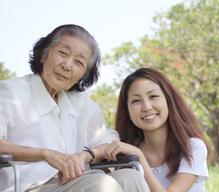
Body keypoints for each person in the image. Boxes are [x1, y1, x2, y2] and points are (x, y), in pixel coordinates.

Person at [0, 24, 149, 192]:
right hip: (28, 187)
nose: (67, 65)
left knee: (131, 177)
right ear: (43, 55)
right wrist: (44, 154)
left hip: (75, 183)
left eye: (79, 62)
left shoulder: (83, 105)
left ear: (83, 75)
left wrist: (85, 155)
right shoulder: (11, 93)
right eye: (62, 53)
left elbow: (108, 144)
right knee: (103, 184)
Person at [104, 68, 209, 192]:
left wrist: (139, 158)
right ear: (127, 111)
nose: (147, 107)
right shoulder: (126, 151)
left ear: (168, 100)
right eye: (136, 100)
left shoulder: (192, 148)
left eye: (153, 96)